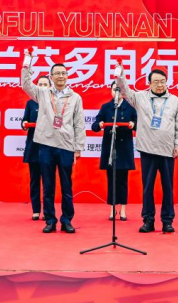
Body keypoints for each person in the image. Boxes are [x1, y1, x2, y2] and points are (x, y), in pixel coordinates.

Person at [115, 64, 178, 234]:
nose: (160, 85)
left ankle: (167, 221)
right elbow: (124, 91)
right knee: (147, 188)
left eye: (163, 81)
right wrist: (120, 75)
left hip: (167, 150)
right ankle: (148, 220)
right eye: (156, 82)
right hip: (147, 150)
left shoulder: (175, 100)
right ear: (149, 83)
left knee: (168, 188)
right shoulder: (140, 97)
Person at [21, 51, 85, 234]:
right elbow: (26, 84)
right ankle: (50, 220)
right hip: (46, 145)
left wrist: (78, 148)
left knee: (66, 186)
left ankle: (67, 220)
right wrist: (27, 62)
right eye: (57, 73)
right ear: (51, 77)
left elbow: (79, 124)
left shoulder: (75, 97)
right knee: (48, 186)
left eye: (63, 73)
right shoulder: (42, 93)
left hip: (66, 146)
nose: (61, 76)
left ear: (67, 76)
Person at [91, 82, 137, 221]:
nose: (117, 92)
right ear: (111, 91)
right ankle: (112, 208)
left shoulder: (130, 107)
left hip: (124, 148)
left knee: (123, 180)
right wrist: (99, 124)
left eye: (119, 89)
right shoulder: (106, 107)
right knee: (111, 180)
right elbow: (95, 125)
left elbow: (139, 124)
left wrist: (133, 124)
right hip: (110, 147)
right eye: (114, 89)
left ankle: (123, 209)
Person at [21, 74, 51, 221]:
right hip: (33, 147)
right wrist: (24, 124)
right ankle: (36, 210)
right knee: (34, 180)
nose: (43, 87)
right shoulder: (31, 103)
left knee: (48, 181)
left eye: (46, 84)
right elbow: (24, 120)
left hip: (49, 146)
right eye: (40, 84)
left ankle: (47, 210)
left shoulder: (53, 101)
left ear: (50, 87)